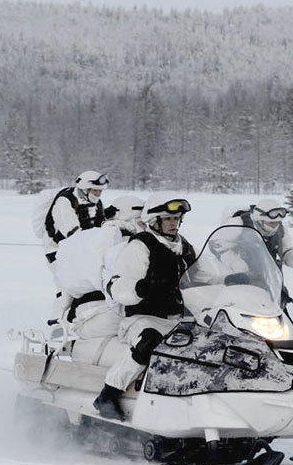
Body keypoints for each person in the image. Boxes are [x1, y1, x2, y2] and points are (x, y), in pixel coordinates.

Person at [93, 194, 196, 420]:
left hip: (179, 318)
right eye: (167, 218)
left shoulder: (185, 247)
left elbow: (205, 274)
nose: (173, 223)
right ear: (153, 221)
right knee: (149, 341)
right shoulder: (141, 245)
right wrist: (141, 288)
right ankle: (108, 394)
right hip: (143, 318)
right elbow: (118, 286)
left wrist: (230, 279)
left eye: (176, 218)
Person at [53, 195, 145, 339]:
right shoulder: (124, 243)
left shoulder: (86, 239)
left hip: (83, 317)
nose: (145, 227)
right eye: (142, 222)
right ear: (130, 219)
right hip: (110, 315)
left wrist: (59, 318)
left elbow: (66, 291)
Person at [42, 170, 109, 327]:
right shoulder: (65, 202)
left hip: (82, 248)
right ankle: (57, 322)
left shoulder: (95, 203)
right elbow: (72, 234)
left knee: (85, 282)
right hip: (57, 249)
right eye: (95, 190)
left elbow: (100, 225)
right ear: (85, 189)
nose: (98, 194)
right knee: (66, 283)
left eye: (100, 191)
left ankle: (80, 315)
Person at [225, 199, 293, 306]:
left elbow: (286, 253)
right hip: (240, 280)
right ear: (260, 219)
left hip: (271, 283)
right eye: (271, 223)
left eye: (277, 223)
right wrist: (236, 263)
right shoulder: (238, 224)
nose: (275, 226)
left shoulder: (280, 230)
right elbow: (219, 247)